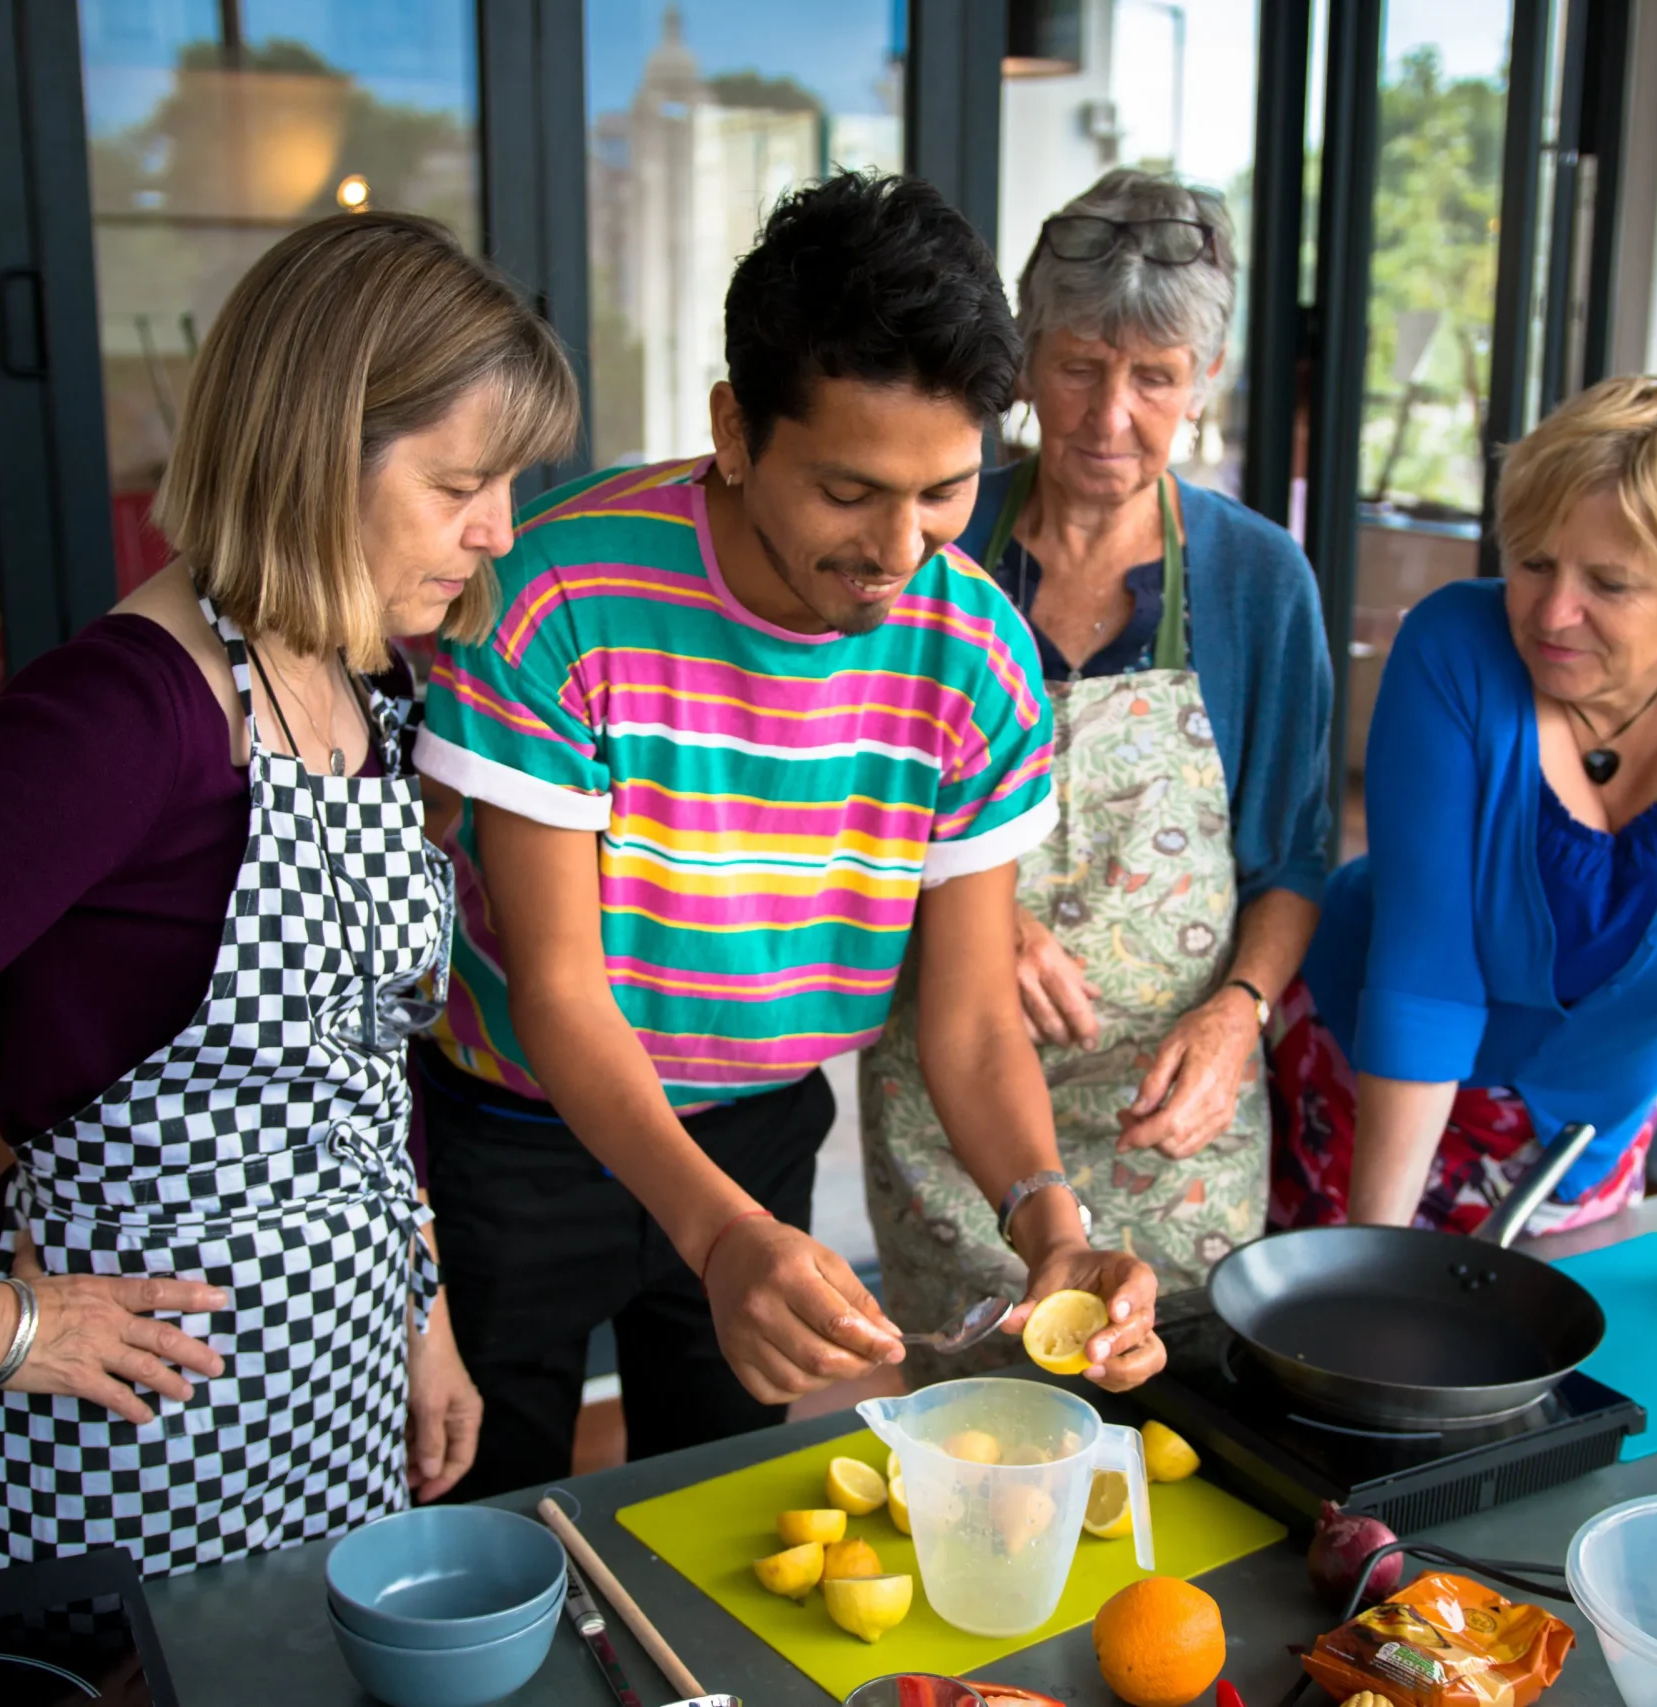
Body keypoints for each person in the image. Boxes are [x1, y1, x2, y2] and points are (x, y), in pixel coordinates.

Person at [0, 211, 579, 1576]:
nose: (498, 529)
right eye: (462, 480)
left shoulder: (363, 680)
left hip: (336, 1377)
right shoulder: (123, 715)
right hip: (133, 1414)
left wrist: (424, 1323)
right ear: (315, 449)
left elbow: (359, 1070)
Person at [413, 171, 1164, 1498]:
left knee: (714, 1506)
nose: (897, 549)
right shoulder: (557, 599)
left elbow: (975, 1017)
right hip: (521, 1131)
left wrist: (1052, 1224)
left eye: (944, 492)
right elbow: (559, 988)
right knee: (491, 1513)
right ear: (736, 429)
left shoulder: (975, 647)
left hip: (759, 1121)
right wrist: (719, 1238)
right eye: (848, 490)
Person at [1270, 375, 1657, 1319]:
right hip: (1371, 1084)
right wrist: (1375, 1268)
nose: (1552, 613)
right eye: (1532, 563)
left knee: (1538, 1361)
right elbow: (1427, 978)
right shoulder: (1454, 651)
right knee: (1350, 1339)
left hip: (1594, 1120)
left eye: (1609, 583)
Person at [859, 170, 1332, 1355]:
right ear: (1022, 360)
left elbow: (1295, 858)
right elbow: (842, 802)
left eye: (1154, 377)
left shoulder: (1259, 581)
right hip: (950, 1106)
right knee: (968, 1436)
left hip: (1171, 1123)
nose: (1107, 415)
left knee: (1179, 1426)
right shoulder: (931, 540)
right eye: (1076, 366)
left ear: (1203, 385)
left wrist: (1239, 1013)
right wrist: (979, 912)